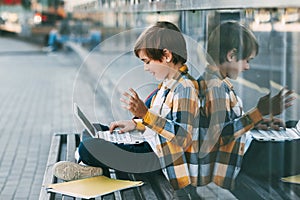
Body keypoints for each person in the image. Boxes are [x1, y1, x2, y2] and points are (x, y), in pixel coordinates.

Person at [53, 21, 201, 199]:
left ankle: (92, 167)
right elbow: (159, 122)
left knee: (88, 147)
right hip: (150, 146)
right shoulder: (168, 85)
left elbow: (181, 136)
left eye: (147, 61)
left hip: (158, 158)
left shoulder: (185, 88)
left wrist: (145, 114)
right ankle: (95, 167)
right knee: (92, 131)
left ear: (166, 55)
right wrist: (134, 124)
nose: (145, 68)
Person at [197, 21, 295, 190]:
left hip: (242, 150)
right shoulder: (215, 87)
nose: (248, 67)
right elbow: (222, 135)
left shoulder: (212, 81)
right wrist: (258, 112)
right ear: (232, 56)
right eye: (247, 60)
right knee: (294, 149)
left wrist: (255, 123)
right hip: (239, 160)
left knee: (291, 128)